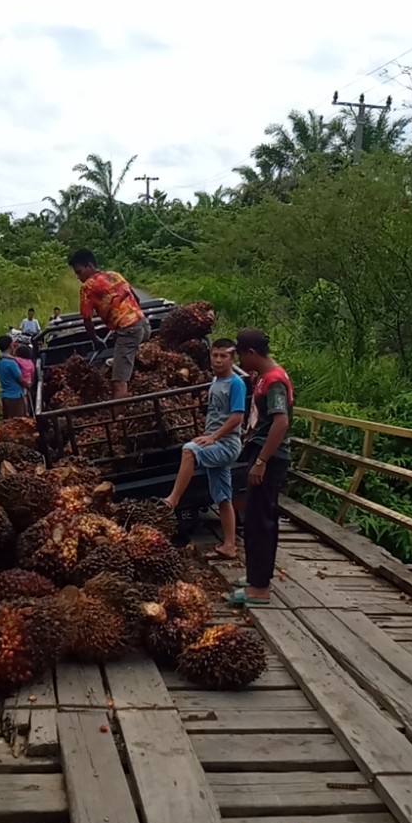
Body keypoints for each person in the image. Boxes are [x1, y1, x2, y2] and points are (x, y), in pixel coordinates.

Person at [225, 329, 292, 607]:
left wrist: (262, 461)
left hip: (270, 458)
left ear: (251, 353)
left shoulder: (275, 381)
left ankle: (259, 590)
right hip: (261, 453)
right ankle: (256, 577)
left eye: (240, 354)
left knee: (261, 521)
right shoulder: (264, 378)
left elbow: (281, 422)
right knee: (253, 519)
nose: (239, 359)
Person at [161, 339, 246, 559]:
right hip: (216, 442)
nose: (218, 360)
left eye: (223, 356)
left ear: (232, 358)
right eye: (215, 355)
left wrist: (213, 437)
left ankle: (173, 499)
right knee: (223, 498)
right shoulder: (216, 381)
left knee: (189, 450)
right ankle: (229, 546)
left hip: (227, 444)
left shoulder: (236, 384)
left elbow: (237, 417)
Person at [68, 249, 150, 398]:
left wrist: (95, 340)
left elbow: (87, 319)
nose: (79, 277)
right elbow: (136, 299)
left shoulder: (88, 287)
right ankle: (121, 366)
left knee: (118, 382)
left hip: (129, 331)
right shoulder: (114, 275)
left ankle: (118, 419)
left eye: (79, 272)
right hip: (143, 324)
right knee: (123, 357)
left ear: (90, 266)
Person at [0, 334, 27, 419]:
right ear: (11, 345)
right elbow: (20, 379)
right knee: (18, 423)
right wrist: (28, 385)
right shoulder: (11, 363)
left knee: (9, 423)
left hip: (5, 396)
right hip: (15, 397)